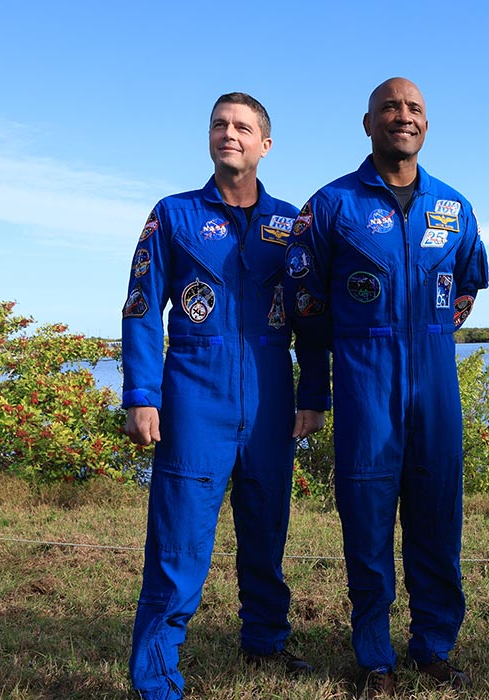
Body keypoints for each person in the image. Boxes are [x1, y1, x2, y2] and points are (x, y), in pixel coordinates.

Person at [121, 92, 329, 700]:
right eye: (219, 124)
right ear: (209, 139)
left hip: (270, 400)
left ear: (265, 144)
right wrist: (141, 392)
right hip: (193, 398)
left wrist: (313, 392)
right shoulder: (174, 215)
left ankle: (265, 640)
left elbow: (310, 315)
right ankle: (157, 676)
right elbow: (139, 309)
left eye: (242, 126)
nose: (229, 133)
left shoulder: (293, 225)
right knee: (178, 543)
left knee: (267, 533)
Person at [287, 77, 489, 697]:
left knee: (437, 524)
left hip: (434, 387)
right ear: (368, 123)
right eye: (391, 108)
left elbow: (466, 286)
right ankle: (375, 656)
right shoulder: (330, 206)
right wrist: (318, 391)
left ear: (426, 124)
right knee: (367, 528)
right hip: (363, 387)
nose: (404, 116)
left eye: (415, 109)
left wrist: (426, 334)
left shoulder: (453, 206)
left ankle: (434, 647)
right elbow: (305, 304)